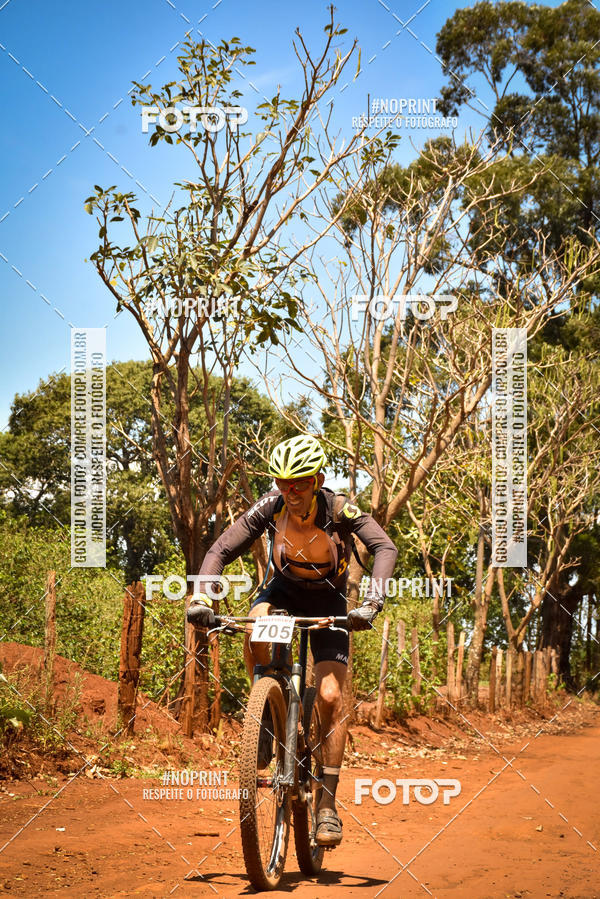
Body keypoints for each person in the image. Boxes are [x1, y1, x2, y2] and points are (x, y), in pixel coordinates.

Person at [187, 434, 397, 847]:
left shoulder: (340, 510)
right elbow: (219, 550)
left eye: (299, 482)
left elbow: (383, 547)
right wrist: (200, 595)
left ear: (317, 479)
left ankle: (327, 806)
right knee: (254, 620)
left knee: (333, 696)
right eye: (282, 482)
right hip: (281, 591)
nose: (291, 491)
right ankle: (264, 713)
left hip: (330, 599)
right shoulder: (270, 506)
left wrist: (372, 600)